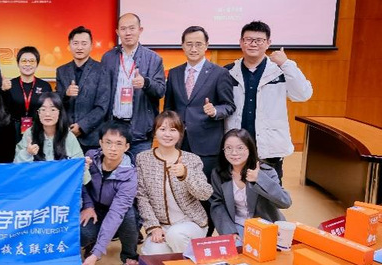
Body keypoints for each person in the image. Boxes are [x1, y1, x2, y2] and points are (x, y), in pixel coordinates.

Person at [225, 21, 313, 180]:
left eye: (259, 40)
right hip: (236, 147)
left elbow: (303, 94)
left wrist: (286, 63)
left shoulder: (280, 70)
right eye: (248, 40)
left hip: (269, 148)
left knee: (269, 192)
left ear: (268, 43)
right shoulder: (228, 71)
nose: (253, 44)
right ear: (241, 42)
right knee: (236, 190)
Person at [136, 111, 213, 254]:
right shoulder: (143, 159)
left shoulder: (192, 159)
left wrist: (185, 175)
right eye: (162, 129)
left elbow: (205, 194)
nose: (167, 134)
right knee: (152, 252)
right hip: (162, 225)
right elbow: (142, 196)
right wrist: (154, 226)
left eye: (173, 130)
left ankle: (190, 262)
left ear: (180, 134)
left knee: (176, 235)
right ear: (155, 132)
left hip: (191, 222)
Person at [164, 25, 235, 179]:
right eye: (189, 44)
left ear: (206, 45)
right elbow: (169, 108)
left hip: (207, 144)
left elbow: (229, 106)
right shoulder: (174, 73)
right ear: (183, 46)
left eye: (198, 44)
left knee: (205, 187)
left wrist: (215, 111)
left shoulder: (219, 73)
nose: (193, 49)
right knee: (179, 185)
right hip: (178, 142)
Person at [79, 122, 142, 265]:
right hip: (94, 209)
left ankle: (130, 260)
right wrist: (88, 205)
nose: (113, 148)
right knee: (83, 234)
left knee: (128, 216)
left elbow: (116, 213)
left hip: (118, 212)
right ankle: (93, 241)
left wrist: (96, 254)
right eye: (108, 142)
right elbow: (83, 185)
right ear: (100, 143)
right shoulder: (90, 158)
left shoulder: (130, 175)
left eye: (119, 143)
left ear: (127, 147)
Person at [209, 129, 291, 243]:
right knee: (236, 248)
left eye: (240, 148)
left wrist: (260, 179)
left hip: (266, 226)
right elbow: (217, 205)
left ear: (250, 149)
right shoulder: (218, 174)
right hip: (236, 226)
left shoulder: (266, 171)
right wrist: (229, 232)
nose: (234, 153)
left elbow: (285, 202)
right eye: (228, 148)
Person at [101, 13, 166, 157]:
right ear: (117, 32)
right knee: (115, 169)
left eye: (132, 28)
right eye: (123, 29)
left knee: (140, 169)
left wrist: (146, 83)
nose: (128, 33)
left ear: (140, 30)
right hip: (113, 128)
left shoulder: (153, 59)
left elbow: (161, 90)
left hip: (140, 131)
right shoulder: (108, 58)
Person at [55, 26, 111, 153]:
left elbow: (102, 106)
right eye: (75, 43)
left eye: (84, 43)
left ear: (91, 46)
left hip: (92, 138)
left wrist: (81, 126)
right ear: (69, 46)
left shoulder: (102, 70)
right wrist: (66, 94)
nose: (79, 47)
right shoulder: (61, 70)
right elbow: (56, 102)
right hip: (66, 136)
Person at [14, 92, 90, 183]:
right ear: (38, 113)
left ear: (60, 113)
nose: (47, 114)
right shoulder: (30, 133)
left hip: (60, 186)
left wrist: (83, 168)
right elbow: (16, 169)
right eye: (43, 109)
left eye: (53, 109)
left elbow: (84, 180)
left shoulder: (68, 136)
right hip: (35, 185)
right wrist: (27, 153)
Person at [3, 46, 52, 137]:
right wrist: (3, 91)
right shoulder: (9, 85)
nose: (28, 64)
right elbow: (4, 110)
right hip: (13, 130)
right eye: (24, 61)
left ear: (37, 64)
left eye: (32, 61)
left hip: (39, 129)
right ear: (18, 63)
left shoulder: (45, 86)